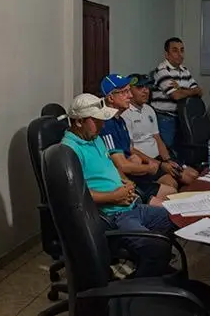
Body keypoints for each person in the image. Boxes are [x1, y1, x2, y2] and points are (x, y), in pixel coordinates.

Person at [61, 93, 174, 277]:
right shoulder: (68, 150)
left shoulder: (95, 138)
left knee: (175, 217)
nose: (102, 125)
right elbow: (74, 195)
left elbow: (111, 167)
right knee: (156, 247)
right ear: (79, 121)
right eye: (96, 121)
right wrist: (114, 197)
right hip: (113, 215)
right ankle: (138, 286)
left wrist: (126, 183)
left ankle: (153, 268)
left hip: (130, 205)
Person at [99, 74, 178, 204]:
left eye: (129, 91)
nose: (130, 96)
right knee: (170, 196)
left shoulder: (120, 121)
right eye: (124, 92)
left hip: (134, 173)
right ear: (111, 97)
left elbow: (129, 151)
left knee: (172, 189)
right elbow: (121, 165)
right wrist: (148, 168)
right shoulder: (107, 124)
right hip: (121, 181)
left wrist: (143, 162)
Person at [122, 74, 199, 188]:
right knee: (172, 183)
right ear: (129, 91)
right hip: (146, 162)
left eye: (147, 87)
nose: (145, 91)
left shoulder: (149, 109)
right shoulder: (125, 114)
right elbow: (131, 149)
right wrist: (160, 164)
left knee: (194, 175)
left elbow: (157, 138)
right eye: (140, 88)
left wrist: (168, 160)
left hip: (160, 158)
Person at [151, 37, 203, 149]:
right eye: (175, 50)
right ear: (167, 54)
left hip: (182, 117)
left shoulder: (185, 70)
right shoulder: (162, 70)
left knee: (182, 150)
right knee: (169, 150)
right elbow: (176, 95)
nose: (180, 54)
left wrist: (180, 88)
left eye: (182, 50)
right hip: (165, 118)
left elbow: (199, 92)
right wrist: (188, 91)